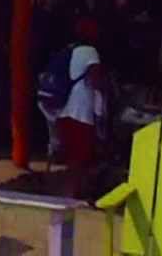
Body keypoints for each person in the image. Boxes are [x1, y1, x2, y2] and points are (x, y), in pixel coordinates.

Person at [45, 18, 108, 199]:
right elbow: (95, 80)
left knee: (72, 156)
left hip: (64, 110)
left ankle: (70, 192)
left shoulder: (68, 50)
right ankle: (73, 194)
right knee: (80, 158)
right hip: (81, 111)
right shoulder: (90, 52)